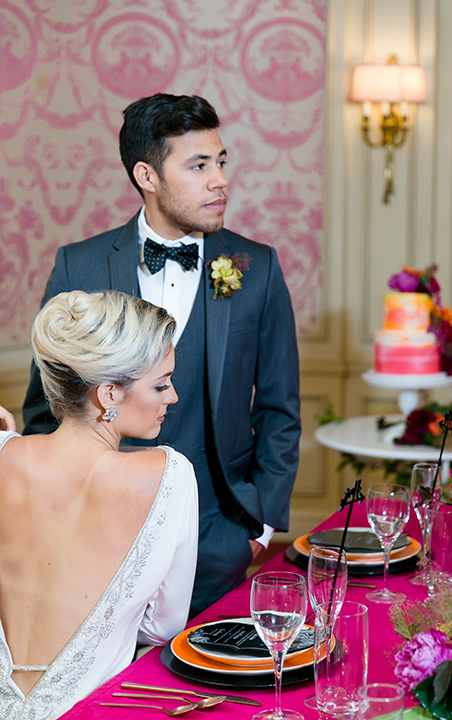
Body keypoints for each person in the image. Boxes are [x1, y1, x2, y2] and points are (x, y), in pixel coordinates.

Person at [22, 93, 301, 617]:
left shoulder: (257, 268)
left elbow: (280, 409)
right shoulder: (77, 266)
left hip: (218, 536)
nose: (219, 180)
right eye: (198, 165)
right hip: (99, 537)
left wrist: (258, 529)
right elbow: (44, 410)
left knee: (210, 690)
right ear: (147, 176)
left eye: (220, 162)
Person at [1, 290, 198, 719]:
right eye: (161, 384)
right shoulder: (169, 476)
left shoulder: (3, 455)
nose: (173, 397)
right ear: (109, 394)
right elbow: (162, 628)